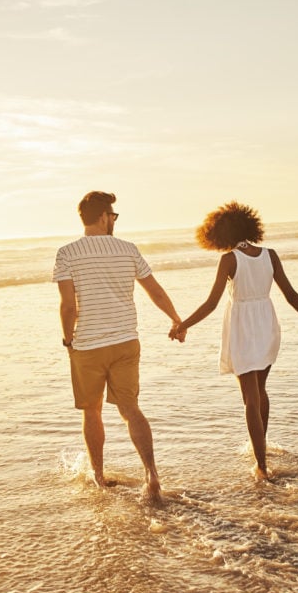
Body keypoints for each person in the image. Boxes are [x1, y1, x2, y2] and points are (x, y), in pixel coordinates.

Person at [170, 201, 298, 480]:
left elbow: (211, 303)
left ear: (219, 232)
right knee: (260, 392)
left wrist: (183, 325)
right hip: (267, 323)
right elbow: (291, 295)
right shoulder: (270, 254)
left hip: (243, 326)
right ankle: (260, 450)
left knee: (250, 399)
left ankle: (262, 466)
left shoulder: (230, 259)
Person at [52, 191, 183, 503]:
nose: (114, 221)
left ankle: (99, 477)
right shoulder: (127, 250)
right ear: (103, 217)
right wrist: (176, 320)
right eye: (114, 216)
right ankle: (151, 474)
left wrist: (68, 339)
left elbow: (68, 306)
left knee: (92, 411)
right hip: (125, 341)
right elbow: (156, 291)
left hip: (88, 346)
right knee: (130, 409)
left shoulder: (67, 253)